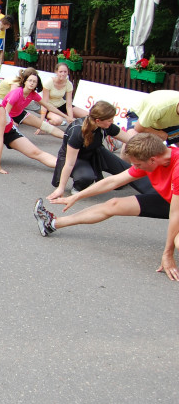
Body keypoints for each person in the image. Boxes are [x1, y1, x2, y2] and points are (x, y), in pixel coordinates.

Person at [34, 133, 179, 281]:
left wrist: (168, 254)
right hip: (172, 199)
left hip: (176, 205)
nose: (136, 168)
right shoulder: (153, 159)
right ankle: (51, 224)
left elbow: (175, 213)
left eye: (138, 165)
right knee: (113, 204)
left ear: (152, 160)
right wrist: (76, 196)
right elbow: (113, 181)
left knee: (177, 242)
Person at [48, 101, 154, 200]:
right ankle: (78, 187)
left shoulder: (106, 125)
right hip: (76, 158)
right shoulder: (77, 132)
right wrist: (61, 188)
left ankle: (155, 189)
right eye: (109, 120)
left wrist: (152, 151)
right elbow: (69, 163)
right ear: (98, 120)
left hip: (95, 152)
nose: (112, 122)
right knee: (86, 177)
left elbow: (130, 139)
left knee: (127, 171)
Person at [1, 68, 68, 139]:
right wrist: (11, 121)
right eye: (30, 80)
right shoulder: (17, 93)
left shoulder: (33, 94)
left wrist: (66, 117)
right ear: (25, 82)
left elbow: (49, 107)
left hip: (19, 114)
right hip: (4, 115)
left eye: (34, 82)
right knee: (13, 136)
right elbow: (5, 113)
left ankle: (68, 138)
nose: (32, 83)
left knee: (45, 126)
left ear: (36, 84)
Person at [40, 63, 87, 128]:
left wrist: (70, 119)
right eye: (60, 72)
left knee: (87, 114)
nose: (63, 74)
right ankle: (48, 122)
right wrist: (41, 123)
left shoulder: (69, 84)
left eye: (65, 72)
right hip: (50, 107)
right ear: (56, 72)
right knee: (58, 120)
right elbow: (44, 104)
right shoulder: (49, 82)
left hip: (61, 104)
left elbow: (69, 105)